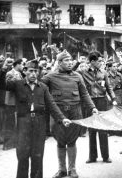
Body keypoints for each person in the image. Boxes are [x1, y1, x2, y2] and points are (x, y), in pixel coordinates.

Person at [6, 60, 70, 178]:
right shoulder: (17, 84)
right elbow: (0, 84)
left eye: (36, 71)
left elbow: (51, 105)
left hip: (39, 125)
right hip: (23, 124)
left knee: (37, 156)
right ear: (25, 71)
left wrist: (62, 118)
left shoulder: (43, 87)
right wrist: (3, 67)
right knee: (23, 156)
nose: (33, 74)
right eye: (30, 71)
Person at [42, 50, 98, 178]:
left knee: (72, 141)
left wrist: (92, 107)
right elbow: (39, 88)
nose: (70, 62)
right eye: (66, 60)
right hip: (58, 113)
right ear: (59, 62)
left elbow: (84, 94)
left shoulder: (77, 76)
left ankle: (72, 169)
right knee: (60, 141)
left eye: (70, 60)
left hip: (75, 112)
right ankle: (61, 169)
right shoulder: (50, 76)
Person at [80, 51, 117, 164]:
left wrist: (114, 98)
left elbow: (109, 87)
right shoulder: (83, 72)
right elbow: (72, 71)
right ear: (92, 62)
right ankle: (92, 157)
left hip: (102, 101)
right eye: (99, 61)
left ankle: (105, 156)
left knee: (103, 129)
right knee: (91, 130)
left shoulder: (104, 72)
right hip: (90, 102)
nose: (102, 63)